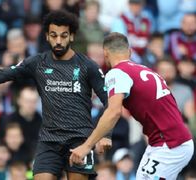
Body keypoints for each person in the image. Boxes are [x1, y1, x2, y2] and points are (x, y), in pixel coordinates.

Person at [0, 10, 111, 180]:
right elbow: (3, 74)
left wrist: (105, 135)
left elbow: (110, 102)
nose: (59, 41)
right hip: (49, 141)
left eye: (64, 35)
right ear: (47, 36)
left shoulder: (87, 66)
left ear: (72, 37)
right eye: (54, 35)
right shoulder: (37, 62)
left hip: (80, 141)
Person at [69, 32, 194, 180]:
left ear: (105, 53)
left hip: (169, 144)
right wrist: (105, 135)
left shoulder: (117, 73)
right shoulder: (146, 70)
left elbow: (113, 112)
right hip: (167, 141)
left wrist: (86, 146)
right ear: (130, 52)